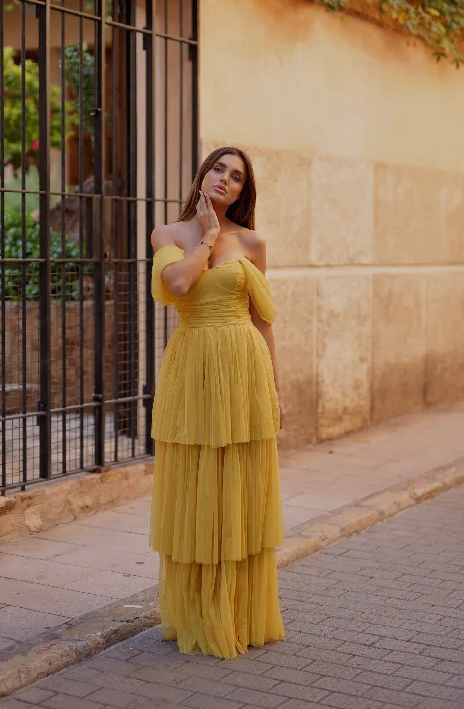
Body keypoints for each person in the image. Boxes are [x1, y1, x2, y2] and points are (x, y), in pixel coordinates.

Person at [149, 146, 286, 659]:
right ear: (202, 174)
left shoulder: (252, 242)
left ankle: (239, 611)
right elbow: (179, 283)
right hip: (194, 371)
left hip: (244, 371)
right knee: (196, 486)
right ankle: (201, 610)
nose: (224, 179)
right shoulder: (168, 235)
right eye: (218, 169)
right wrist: (207, 237)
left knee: (239, 489)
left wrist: (274, 388)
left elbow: (263, 320)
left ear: (242, 191)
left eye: (236, 177)